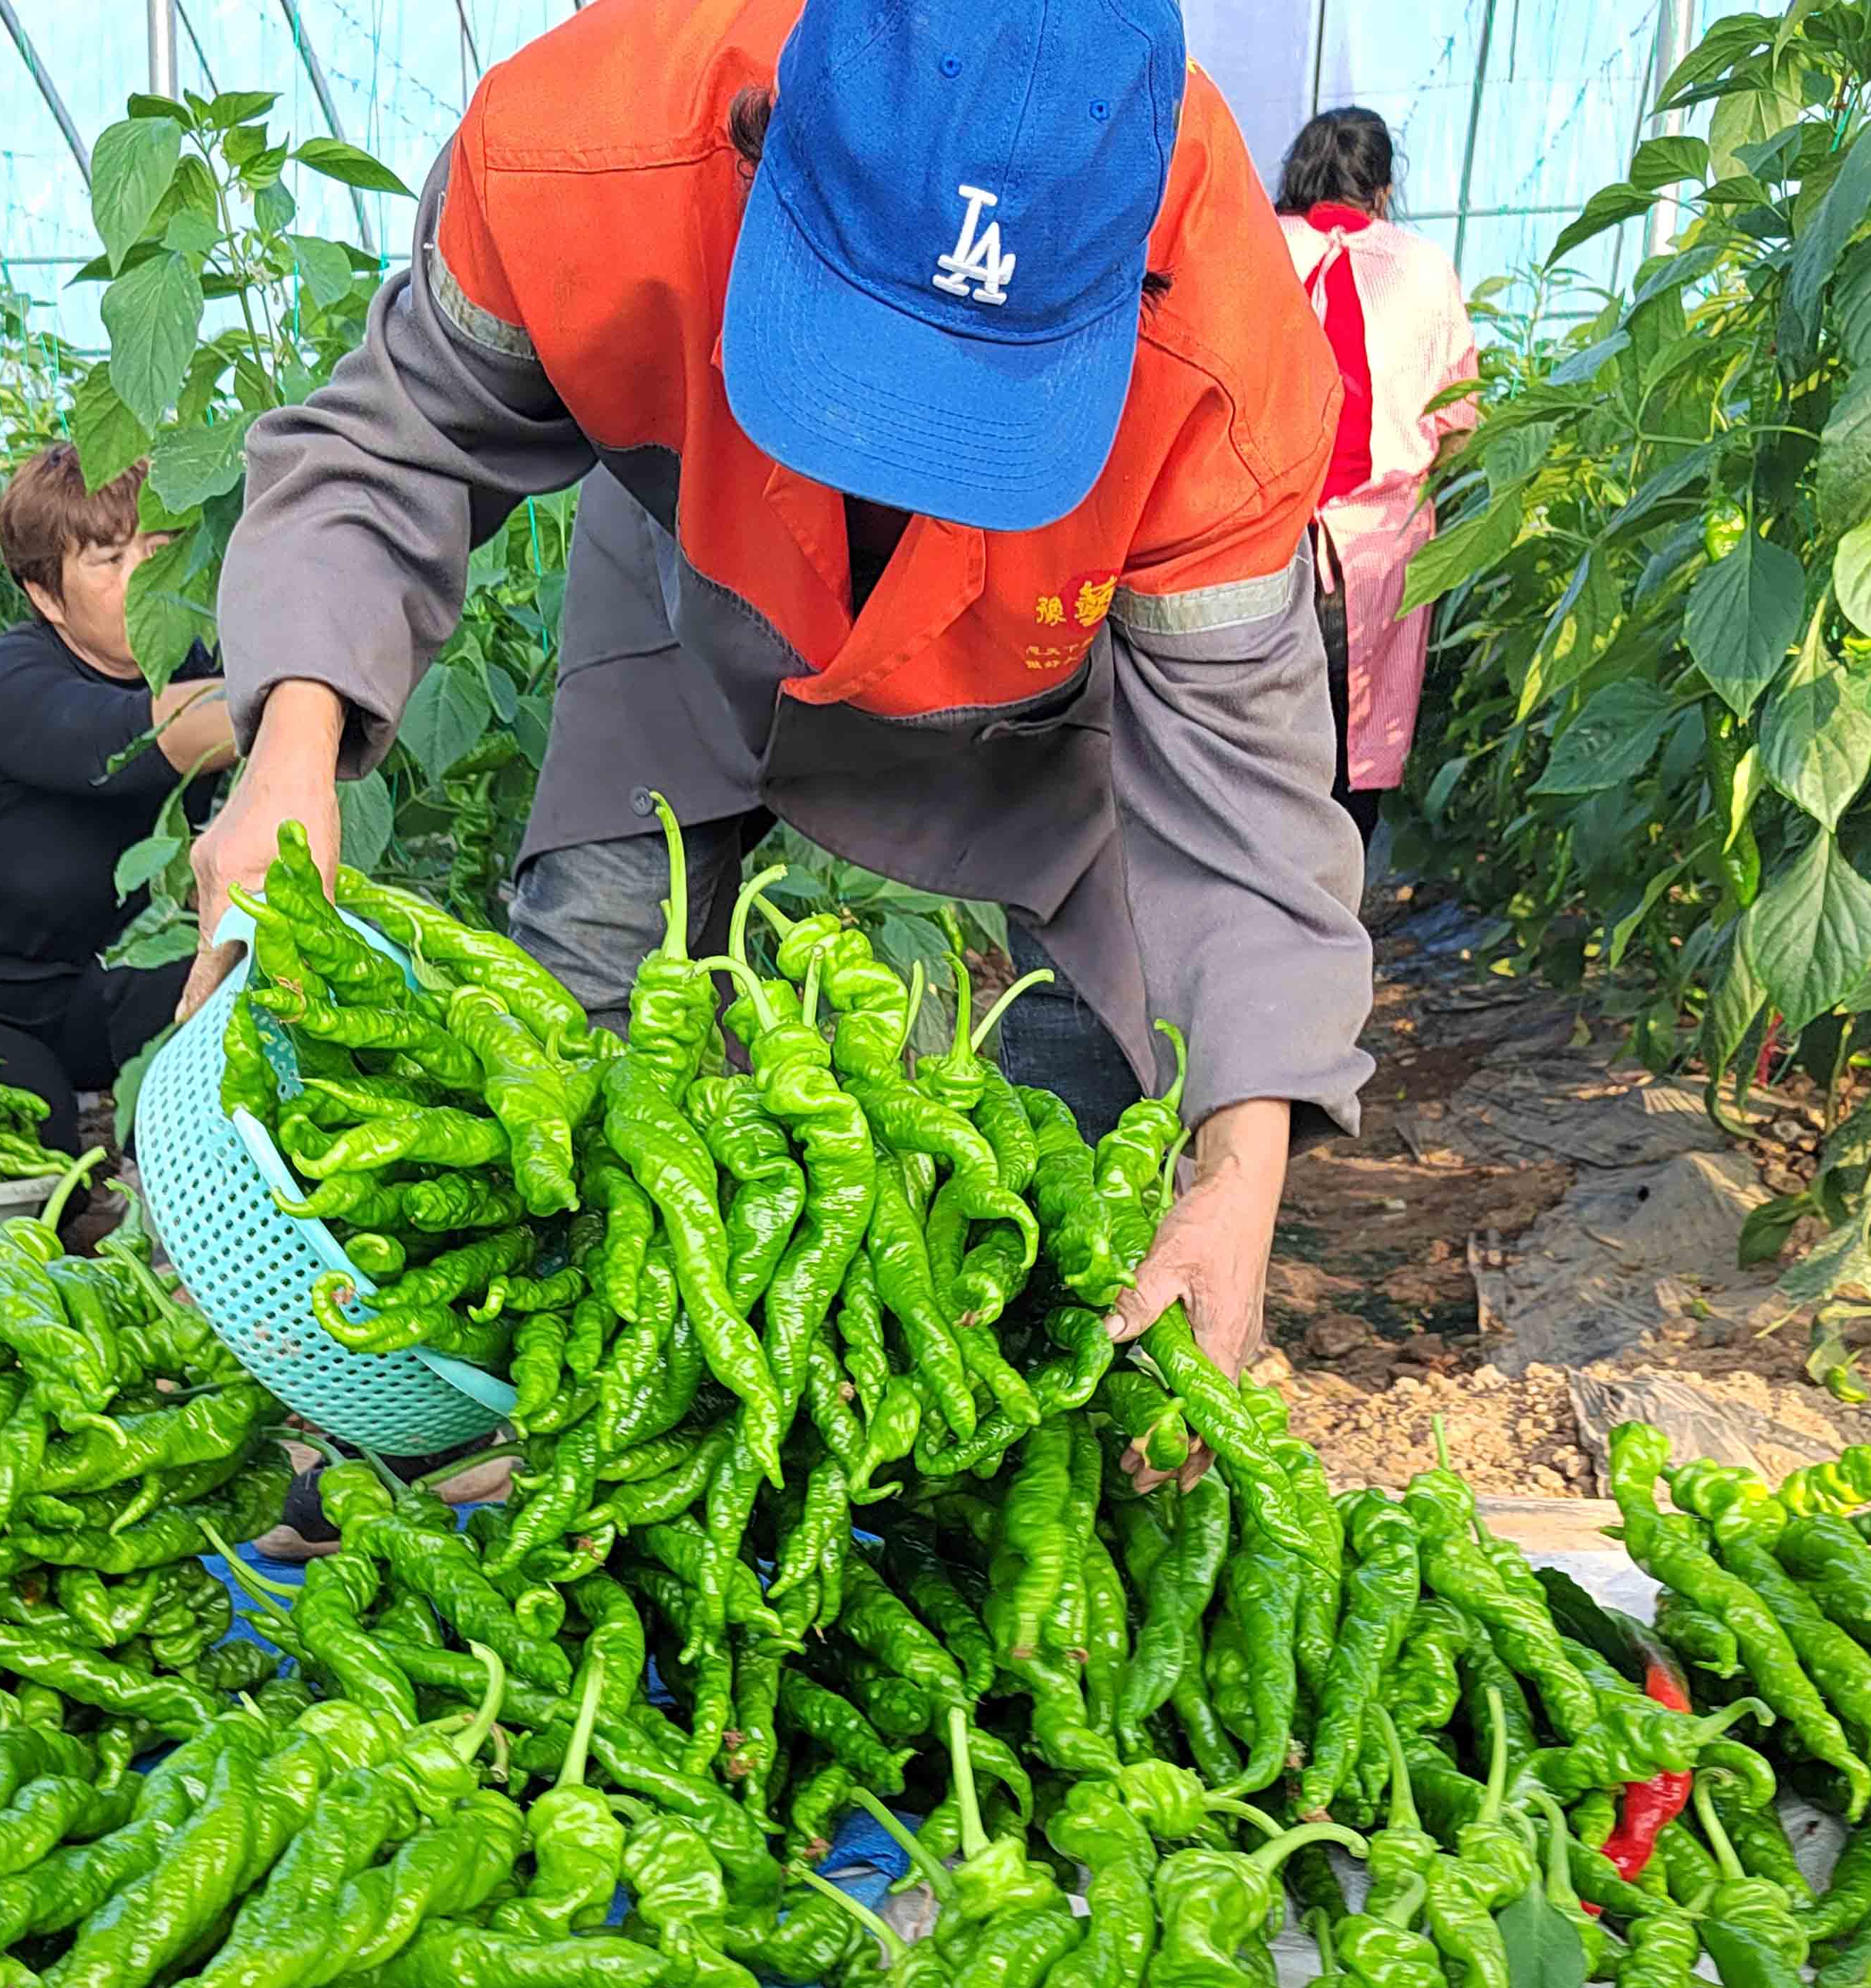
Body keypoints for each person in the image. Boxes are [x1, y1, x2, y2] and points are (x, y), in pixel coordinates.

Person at [185, 0, 1375, 1389]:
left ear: (1134, 286)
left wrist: (1241, 1178)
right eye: (867, 361)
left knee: (1128, 1141)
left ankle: (1022, 1417)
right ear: (764, 149)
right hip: (702, 558)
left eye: (974, 398)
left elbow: (1246, 794)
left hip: (1042, 687)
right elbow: (389, 444)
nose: (898, 458)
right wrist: (287, 760)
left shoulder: (1222, 356)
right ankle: (540, 1400)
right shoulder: (593, 152)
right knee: (588, 1019)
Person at [0, 444, 235, 1157]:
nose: (146, 578)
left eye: (159, 550)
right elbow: (143, 735)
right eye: (111, 561)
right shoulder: (2, 686)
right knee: (40, 1155)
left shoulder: (194, 663)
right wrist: (304, 696)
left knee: (243, 986)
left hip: (88, 988)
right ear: (45, 594)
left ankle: (178, 1192)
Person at [1276, 109, 1478, 845]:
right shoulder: (1424, 269)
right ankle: (1331, 924)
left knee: (1249, 740)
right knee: (1352, 742)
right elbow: (1457, 425)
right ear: (1383, 190)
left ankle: (1240, 924)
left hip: (1259, 537)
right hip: (1378, 550)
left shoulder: (1258, 248)